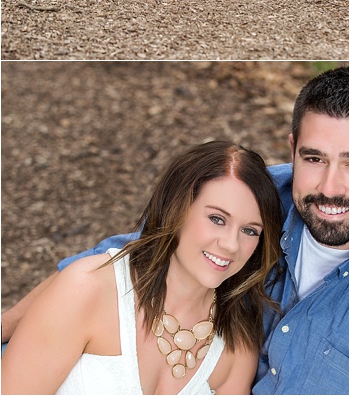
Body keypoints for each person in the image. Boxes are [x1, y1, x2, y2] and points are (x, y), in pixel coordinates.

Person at [2, 67, 349, 395]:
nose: (330, 187)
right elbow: (131, 254)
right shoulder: (263, 195)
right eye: (314, 158)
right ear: (293, 148)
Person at [1, 141, 284, 395]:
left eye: (249, 231)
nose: (231, 245)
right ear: (176, 209)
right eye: (217, 219)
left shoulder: (236, 348)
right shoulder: (87, 290)